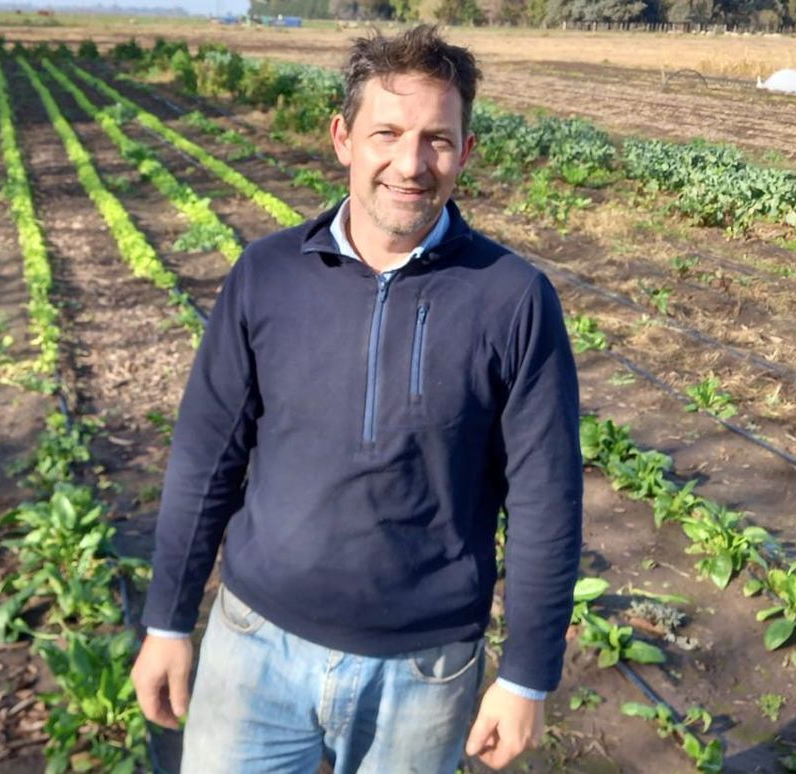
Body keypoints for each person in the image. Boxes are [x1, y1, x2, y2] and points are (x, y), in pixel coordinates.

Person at [131, 24, 583, 773]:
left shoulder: (513, 300)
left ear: (466, 152)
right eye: (387, 133)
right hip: (254, 646)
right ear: (343, 138)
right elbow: (207, 457)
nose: (411, 163)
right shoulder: (267, 274)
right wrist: (168, 621)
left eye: (438, 139)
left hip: (424, 669)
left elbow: (545, 498)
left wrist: (528, 672)